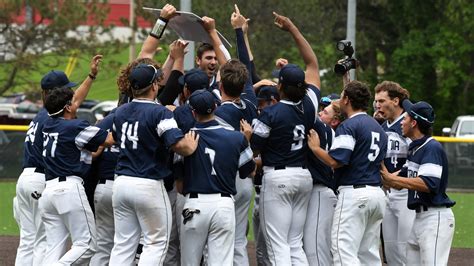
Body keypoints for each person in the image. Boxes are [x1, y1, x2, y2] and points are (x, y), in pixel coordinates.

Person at [14, 55, 102, 266]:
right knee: (44, 240)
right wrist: (90, 76)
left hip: (24, 179)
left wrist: (91, 76)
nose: (70, 94)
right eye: (66, 90)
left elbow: (75, 101)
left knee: (28, 240)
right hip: (40, 179)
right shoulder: (53, 116)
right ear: (58, 94)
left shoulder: (41, 115)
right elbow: (75, 102)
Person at [109, 63, 198, 265]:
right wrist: (190, 147)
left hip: (121, 182)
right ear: (154, 86)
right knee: (156, 242)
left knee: (123, 244)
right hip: (148, 183)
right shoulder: (160, 113)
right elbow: (178, 145)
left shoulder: (120, 111)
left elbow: (114, 137)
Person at [308, 80, 388, 265]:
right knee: (368, 253)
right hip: (376, 193)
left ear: (346, 99)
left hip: (355, 193)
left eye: (342, 95)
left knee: (342, 249)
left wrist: (315, 148)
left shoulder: (349, 126)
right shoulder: (378, 127)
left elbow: (335, 161)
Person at [39, 86, 114, 265]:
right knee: (87, 245)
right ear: (67, 107)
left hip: (48, 192)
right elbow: (110, 140)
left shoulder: (47, 124)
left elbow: (90, 151)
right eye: (72, 102)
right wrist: (113, 118)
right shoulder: (74, 126)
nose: (76, 104)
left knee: (54, 247)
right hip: (68, 189)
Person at [179, 89, 255, 265]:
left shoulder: (185, 139)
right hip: (224, 204)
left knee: (190, 262)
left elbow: (179, 185)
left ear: (193, 112)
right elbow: (249, 171)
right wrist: (246, 141)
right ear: (215, 106)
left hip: (195, 203)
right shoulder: (236, 137)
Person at [381, 99, 456, 266]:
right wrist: (382, 173)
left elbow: (428, 183)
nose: (402, 122)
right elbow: (398, 178)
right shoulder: (415, 148)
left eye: (405, 118)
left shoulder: (431, 148)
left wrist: (392, 178)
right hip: (420, 218)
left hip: (435, 217)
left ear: (414, 123)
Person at [374, 80, 414, 265]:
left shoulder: (409, 123)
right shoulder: (381, 127)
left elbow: (419, 154)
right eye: (376, 101)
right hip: (386, 193)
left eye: (382, 100)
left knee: (406, 248)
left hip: (406, 192)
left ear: (396, 101)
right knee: (390, 250)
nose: (377, 105)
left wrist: (399, 175)